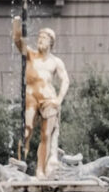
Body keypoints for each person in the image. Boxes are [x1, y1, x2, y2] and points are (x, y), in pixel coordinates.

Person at [13, 17, 69, 178]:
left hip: (48, 99)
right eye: (39, 38)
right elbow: (18, 40)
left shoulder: (55, 62)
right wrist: (17, 24)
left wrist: (58, 99)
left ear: (51, 42)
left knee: (46, 135)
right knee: (27, 130)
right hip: (31, 96)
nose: (40, 40)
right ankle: (19, 163)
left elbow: (65, 80)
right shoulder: (30, 54)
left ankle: (40, 170)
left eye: (44, 38)